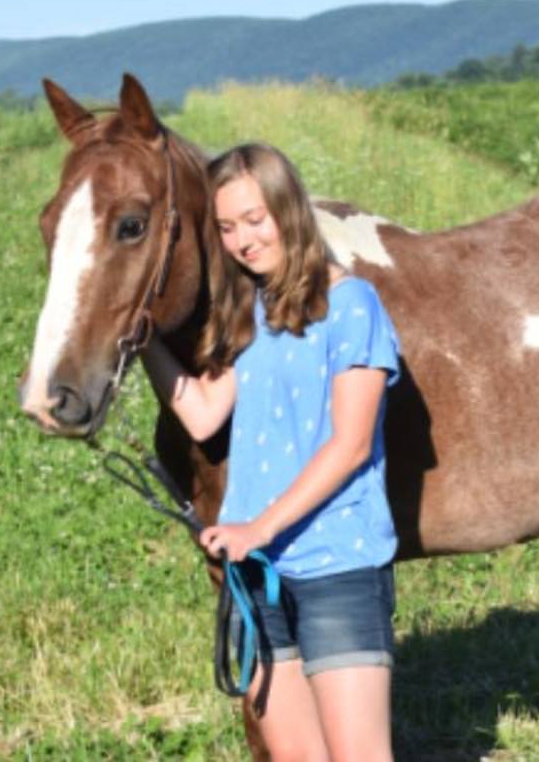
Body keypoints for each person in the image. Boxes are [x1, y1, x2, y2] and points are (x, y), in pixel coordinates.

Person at [143, 142, 401, 762]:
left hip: (336, 565)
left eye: (255, 220)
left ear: (289, 210)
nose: (242, 242)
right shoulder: (259, 313)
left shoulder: (352, 306)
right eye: (227, 228)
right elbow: (203, 413)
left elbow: (350, 444)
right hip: (259, 572)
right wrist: (142, 334)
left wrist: (256, 526)